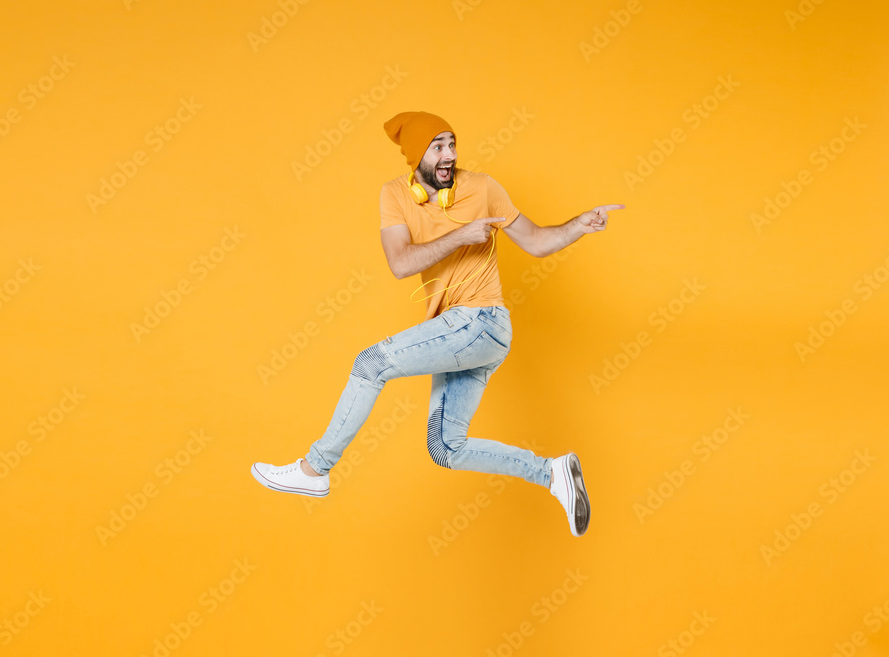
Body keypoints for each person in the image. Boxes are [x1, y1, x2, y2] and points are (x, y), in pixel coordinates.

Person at [251, 111, 623, 537]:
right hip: (460, 334)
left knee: (371, 363)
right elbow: (400, 263)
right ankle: (552, 473)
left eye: (452, 144)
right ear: (416, 156)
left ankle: (313, 469)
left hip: (481, 320)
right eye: (438, 146)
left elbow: (536, 241)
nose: (449, 155)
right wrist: (460, 236)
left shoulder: (484, 188)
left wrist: (579, 224)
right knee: (446, 447)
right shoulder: (394, 196)